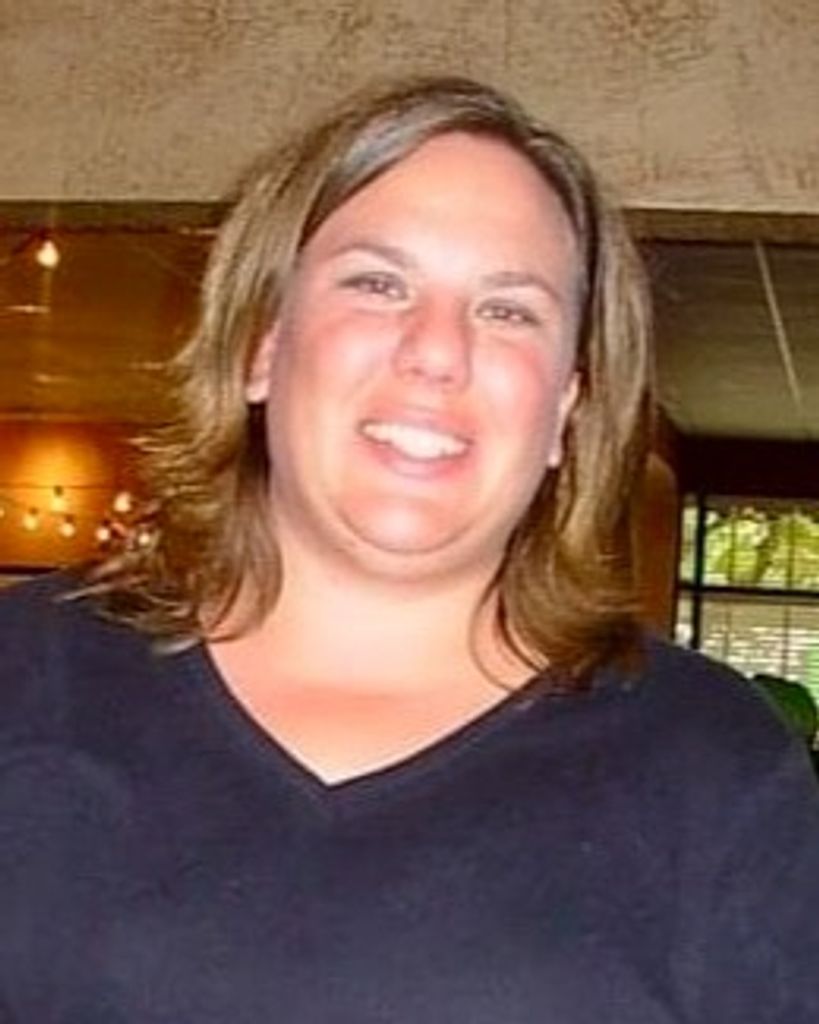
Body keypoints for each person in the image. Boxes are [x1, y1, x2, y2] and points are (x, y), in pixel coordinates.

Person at [1, 76, 817, 1023]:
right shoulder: (26, 673)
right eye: (377, 284)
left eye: (508, 310)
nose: (437, 352)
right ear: (261, 345)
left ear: (566, 407)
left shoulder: (712, 763)